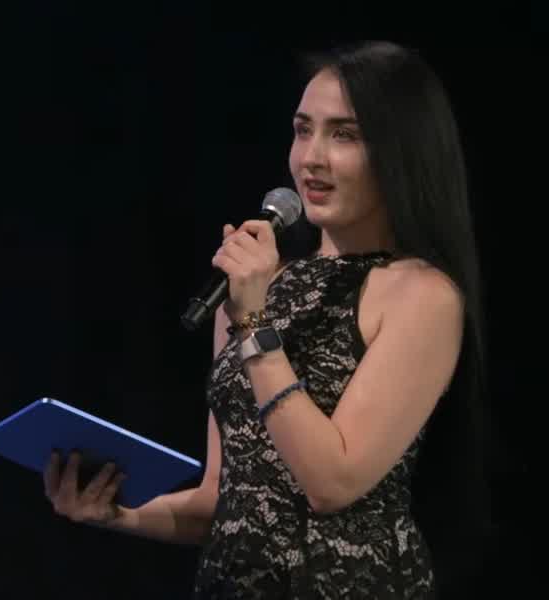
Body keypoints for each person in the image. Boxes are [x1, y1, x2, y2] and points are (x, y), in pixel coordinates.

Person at [44, 40, 489, 598]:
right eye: (303, 130)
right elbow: (223, 500)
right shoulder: (256, 288)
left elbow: (332, 482)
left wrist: (255, 323)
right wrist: (118, 513)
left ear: (402, 151)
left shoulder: (422, 294)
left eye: (344, 135)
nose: (311, 158)